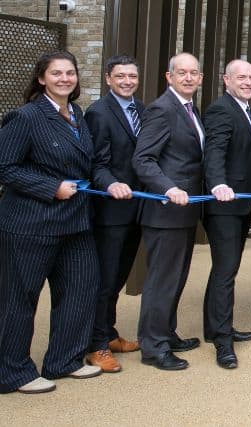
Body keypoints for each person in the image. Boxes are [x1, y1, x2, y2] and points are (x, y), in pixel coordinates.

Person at [0, 51, 102, 394]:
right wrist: (50, 187)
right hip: (31, 223)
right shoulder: (26, 117)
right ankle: (11, 372)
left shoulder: (78, 114)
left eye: (70, 73)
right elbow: (6, 168)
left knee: (79, 289)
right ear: (41, 78)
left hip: (75, 223)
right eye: (56, 73)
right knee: (19, 298)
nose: (64, 78)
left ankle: (64, 360)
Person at [132, 52, 206, 371]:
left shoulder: (190, 109)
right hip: (165, 211)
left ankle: (167, 332)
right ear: (169, 76)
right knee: (161, 281)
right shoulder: (161, 110)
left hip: (185, 212)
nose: (188, 78)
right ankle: (153, 346)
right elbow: (143, 159)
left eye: (194, 73)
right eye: (182, 73)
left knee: (176, 278)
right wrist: (168, 188)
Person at [83, 55, 145, 374]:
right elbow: (96, 164)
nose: (126, 81)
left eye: (132, 76)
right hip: (110, 211)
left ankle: (110, 333)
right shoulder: (98, 112)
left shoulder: (142, 110)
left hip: (136, 210)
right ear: (108, 78)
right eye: (120, 76)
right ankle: (96, 345)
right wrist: (112, 184)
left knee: (118, 278)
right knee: (104, 281)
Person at [202, 59, 251, 369]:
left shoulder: (245, 110)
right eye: (241, 77)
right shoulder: (221, 109)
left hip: (241, 204)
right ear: (226, 80)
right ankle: (223, 342)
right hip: (224, 205)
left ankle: (213, 328)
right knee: (226, 273)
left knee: (225, 270)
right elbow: (214, 151)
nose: (248, 81)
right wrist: (218, 185)